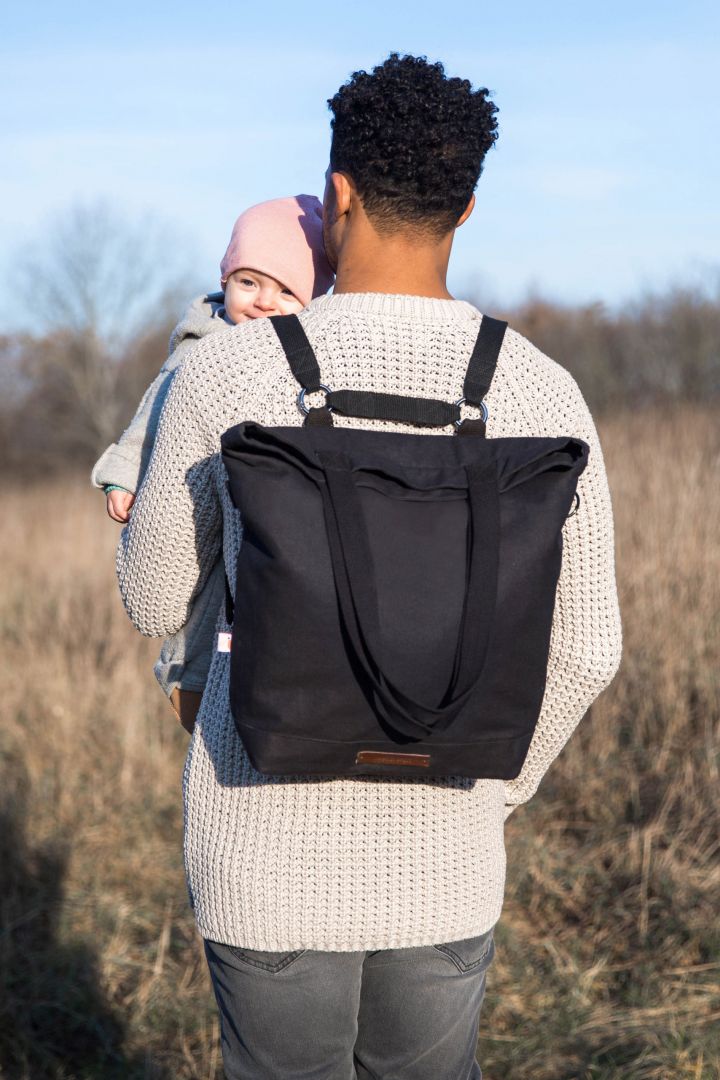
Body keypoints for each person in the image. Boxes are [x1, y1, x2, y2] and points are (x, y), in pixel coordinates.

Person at [115, 53, 623, 1080]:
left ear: (337, 194)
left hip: (260, 840)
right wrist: (489, 787)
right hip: (448, 850)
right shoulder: (540, 391)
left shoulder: (227, 368)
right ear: (469, 207)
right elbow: (588, 649)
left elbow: (151, 596)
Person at [91, 195, 334, 731]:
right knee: (202, 610)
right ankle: (190, 686)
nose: (264, 301)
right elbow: (150, 417)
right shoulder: (199, 348)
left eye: (287, 291)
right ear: (225, 279)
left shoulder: (308, 359)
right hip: (192, 496)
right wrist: (125, 476)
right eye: (249, 282)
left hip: (267, 514)